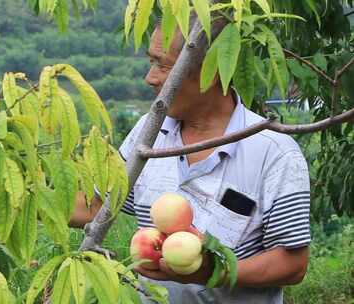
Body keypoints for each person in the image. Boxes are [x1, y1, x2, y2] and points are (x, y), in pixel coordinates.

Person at [70, 22, 311, 304]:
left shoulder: (273, 151)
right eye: (151, 63)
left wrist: (211, 272)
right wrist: (20, 195)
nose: (150, 78)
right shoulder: (149, 132)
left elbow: (293, 264)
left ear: (210, 71)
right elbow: (97, 206)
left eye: (162, 66)